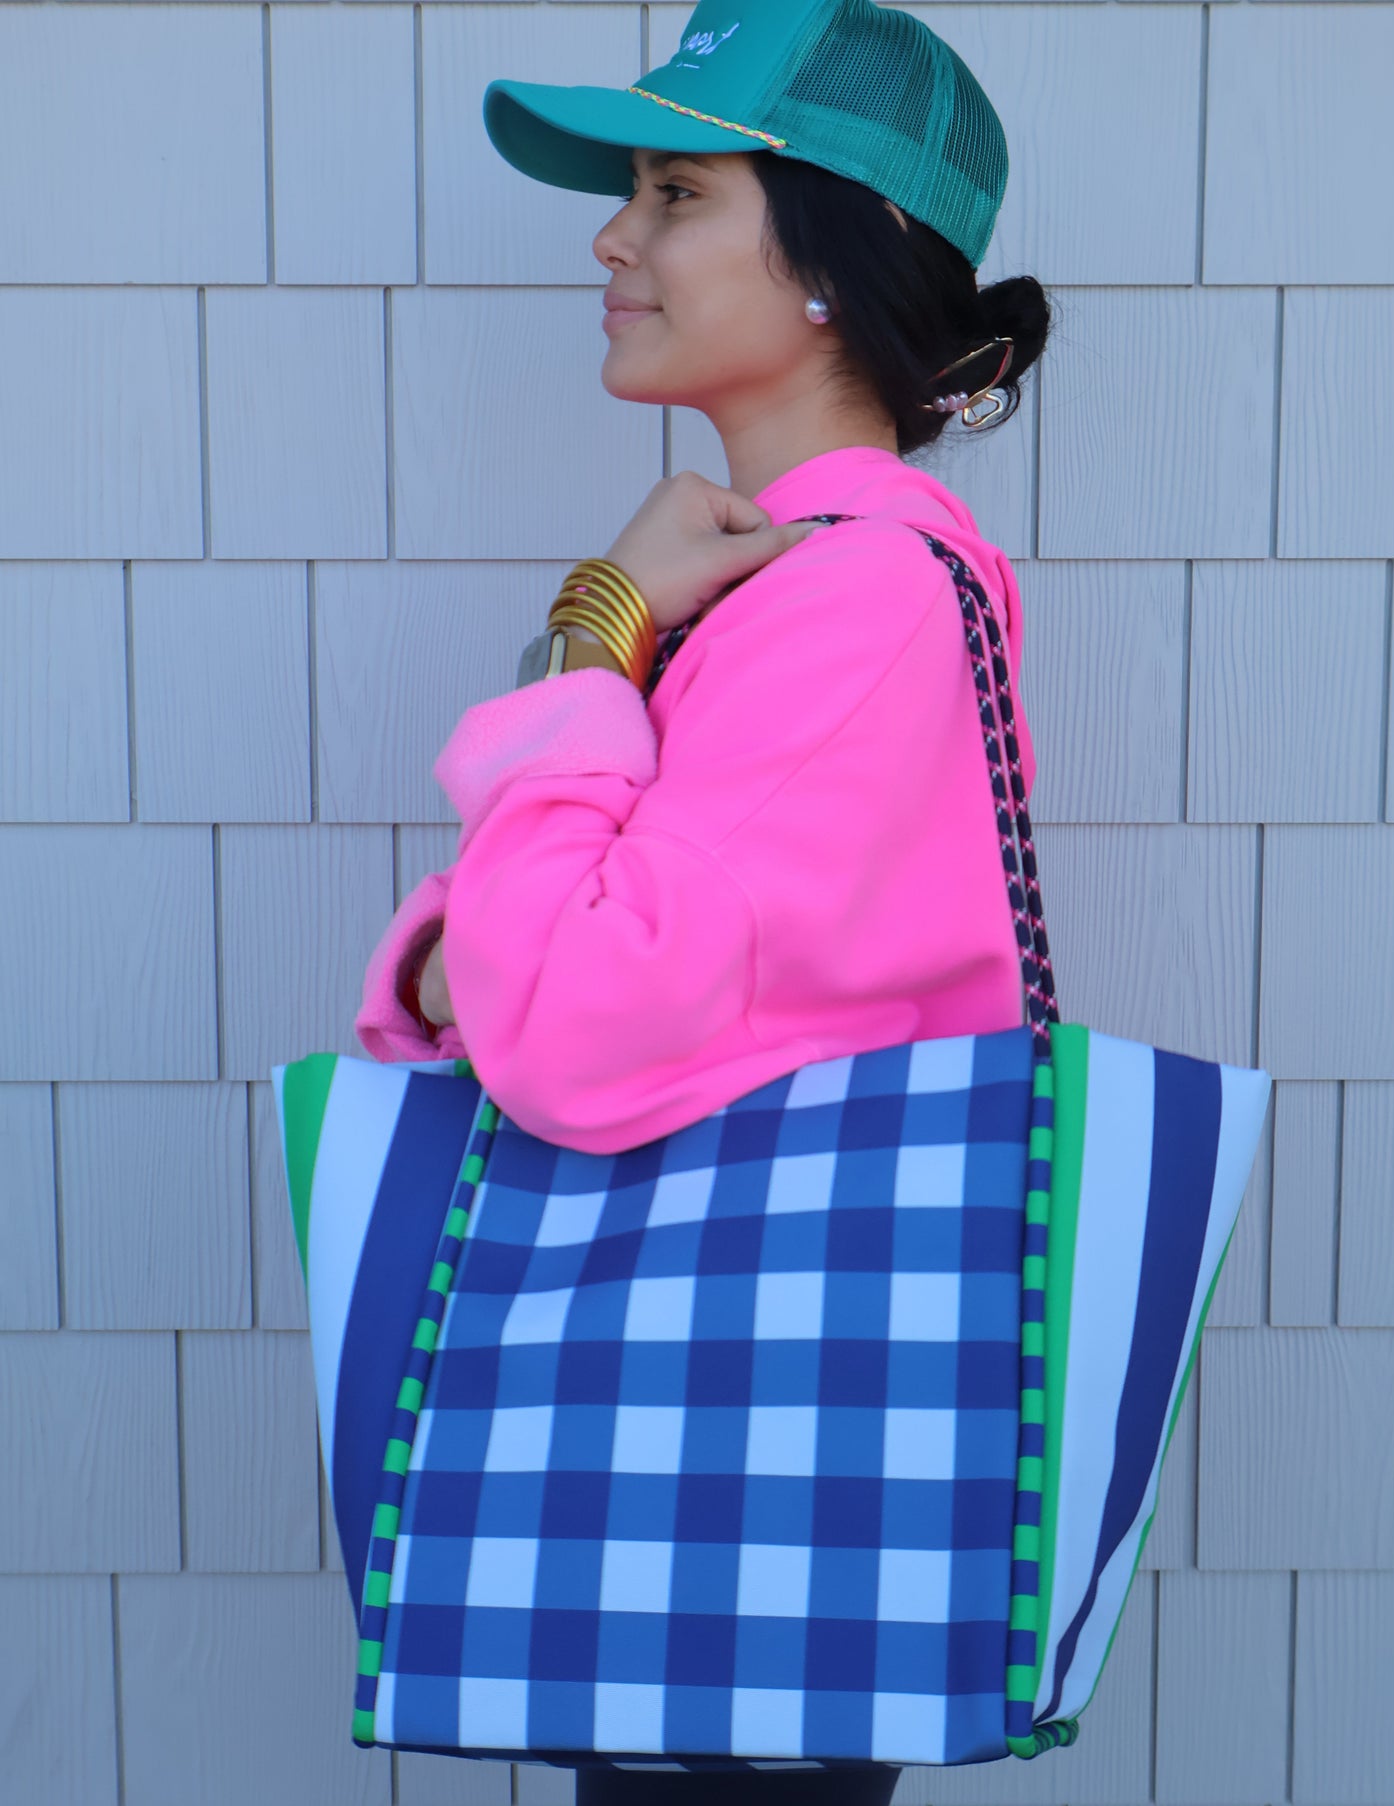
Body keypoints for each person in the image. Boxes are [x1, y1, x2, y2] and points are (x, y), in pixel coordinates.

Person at [355, 0, 1053, 1796]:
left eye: (675, 191)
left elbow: (565, 1030)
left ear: (834, 259)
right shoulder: (805, 582)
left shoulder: (852, 597)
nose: (614, 236)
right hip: (751, 1451)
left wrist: (592, 625)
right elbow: (469, 987)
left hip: (745, 1467)